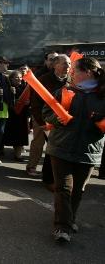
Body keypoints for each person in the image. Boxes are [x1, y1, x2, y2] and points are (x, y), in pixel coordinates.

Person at [43, 57, 105, 243]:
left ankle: (69, 219)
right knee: (63, 188)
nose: (71, 74)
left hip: (89, 151)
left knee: (78, 189)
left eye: (75, 71)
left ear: (88, 72)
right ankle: (63, 228)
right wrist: (57, 118)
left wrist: (100, 122)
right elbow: (46, 112)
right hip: (61, 148)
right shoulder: (64, 91)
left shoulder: (103, 95)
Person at [27, 55, 71, 185]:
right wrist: (41, 122)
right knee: (38, 142)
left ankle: (53, 173)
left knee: (56, 147)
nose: (68, 67)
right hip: (41, 118)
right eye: (64, 63)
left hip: (61, 120)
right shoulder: (43, 80)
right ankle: (32, 166)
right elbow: (35, 103)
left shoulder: (71, 81)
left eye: (69, 64)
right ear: (55, 65)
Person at [3, 70, 30, 162]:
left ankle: (18, 154)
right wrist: (12, 94)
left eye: (20, 77)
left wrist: (27, 102)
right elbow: (8, 101)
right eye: (16, 77)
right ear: (11, 79)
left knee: (20, 136)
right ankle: (2, 150)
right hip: (12, 115)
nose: (19, 79)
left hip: (22, 115)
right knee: (12, 135)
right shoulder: (8, 88)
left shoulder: (24, 87)